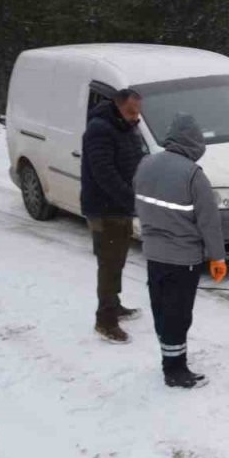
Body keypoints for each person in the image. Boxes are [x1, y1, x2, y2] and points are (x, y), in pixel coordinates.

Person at [133, 115, 227, 389]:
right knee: (178, 314)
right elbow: (209, 221)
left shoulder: (146, 164)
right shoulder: (193, 174)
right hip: (182, 258)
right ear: (193, 142)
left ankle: (168, 359)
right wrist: (218, 257)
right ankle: (175, 370)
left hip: (153, 254)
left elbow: (138, 202)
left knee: (162, 309)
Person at [82, 89, 147, 344]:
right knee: (109, 263)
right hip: (104, 208)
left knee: (117, 258)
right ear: (118, 106)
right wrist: (132, 200)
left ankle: (114, 305)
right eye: (131, 112)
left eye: (138, 112)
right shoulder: (100, 130)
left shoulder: (125, 127)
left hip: (119, 207)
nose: (136, 117)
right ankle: (105, 320)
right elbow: (104, 174)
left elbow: (135, 160)